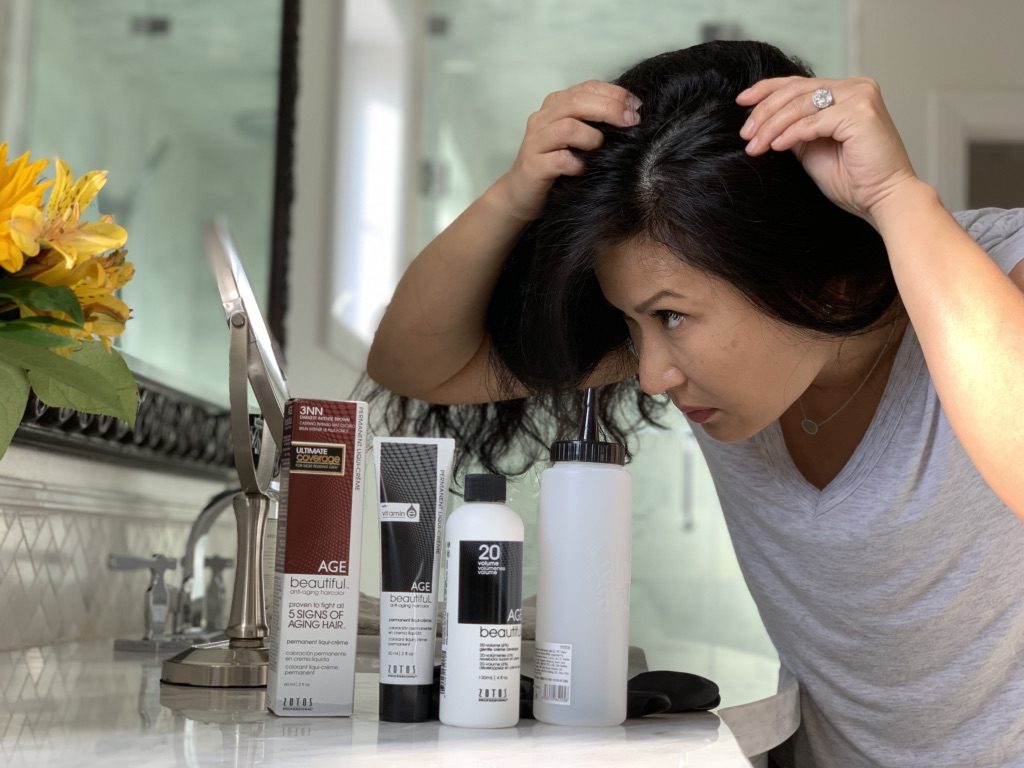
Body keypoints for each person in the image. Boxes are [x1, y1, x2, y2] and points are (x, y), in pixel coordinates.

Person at [367, 40, 1024, 767]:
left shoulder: (1003, 273)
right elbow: (416, 363)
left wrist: (897, 198)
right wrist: (512, 193)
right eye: (632, 323)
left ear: (797, 272)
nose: (650, 375)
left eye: (672, 316)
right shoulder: (706, 353)